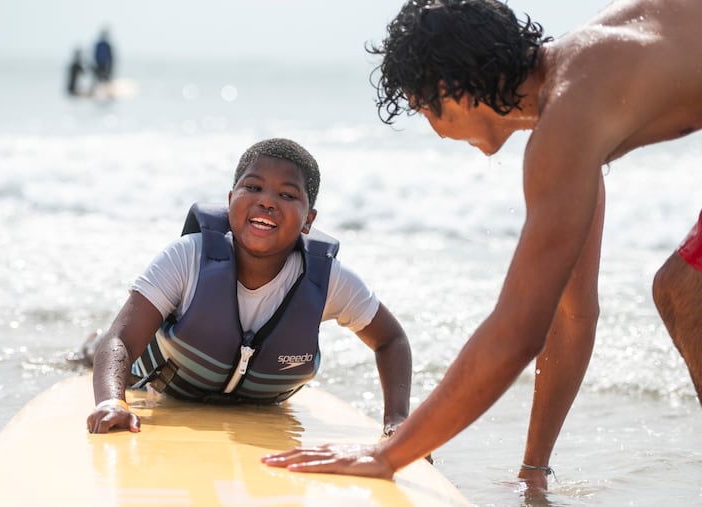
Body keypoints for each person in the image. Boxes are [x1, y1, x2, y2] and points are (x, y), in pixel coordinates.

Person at [262, 0, 702, 493]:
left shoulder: (569, 117)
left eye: (424, 109)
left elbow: (517, 331)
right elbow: (572, 314)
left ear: (453, 92)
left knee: (685, 289)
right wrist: (533, 473)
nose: (434, 129)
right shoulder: (577, 96)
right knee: (684, 288)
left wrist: (388, 455)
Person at [85, 138, 413, 441]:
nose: (266, 202)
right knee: (98, 348)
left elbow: (391, 339)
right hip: (155, 383)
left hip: (261, 402)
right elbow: (122, 339)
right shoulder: (188, 257)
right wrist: (112, 400)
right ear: (230, 201)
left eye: (287, 195)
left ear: (308, 220)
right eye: (253, 187)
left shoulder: (327, 281)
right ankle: (84, 353)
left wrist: (397, 420)